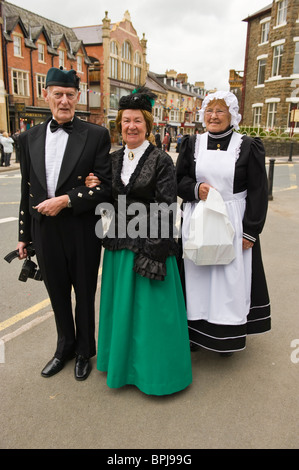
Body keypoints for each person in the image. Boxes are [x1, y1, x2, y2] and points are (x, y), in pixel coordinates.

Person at [86, 86, 192, 395]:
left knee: (150, 318)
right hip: (120, 246)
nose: (131, 126)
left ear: (147, 125)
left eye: (137, 121)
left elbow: (166, 206)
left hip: (151, 247)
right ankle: (122, 366)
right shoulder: (114, 158)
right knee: (123, 311)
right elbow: (109, 195)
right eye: (126, 121)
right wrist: (95, 183)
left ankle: (156, 376)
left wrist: (154, 254)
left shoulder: (161, 160)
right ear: (119, 125)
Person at [16, 67, 112, 380]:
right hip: (44, 229)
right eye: (58, 94)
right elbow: (26, 189)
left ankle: (85, 350)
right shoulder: (28, 138)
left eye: (70, 95)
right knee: (57, 293)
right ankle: (64, 347)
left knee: (84, 293)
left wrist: (68, 199)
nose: (64, 101)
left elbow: (105, 187)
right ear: (47, 95)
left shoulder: (96, 135)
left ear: (78, 97)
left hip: (81, 228)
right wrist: (24, 235)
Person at [176, 90, 270, 355]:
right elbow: (178, 180)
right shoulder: (191, 143)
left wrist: (251, 231)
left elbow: (258, 191)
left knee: (228, 279)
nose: (213, 116)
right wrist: (196, 190)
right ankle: (194, 334)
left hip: (233, 220)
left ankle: (225, 337)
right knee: (198, 277)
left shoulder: (248, 145)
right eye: (209, 110)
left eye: (219, 111)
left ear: (232, 115)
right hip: (198, 219)